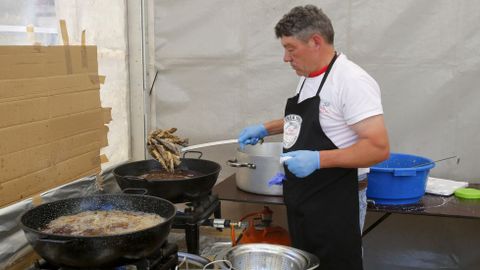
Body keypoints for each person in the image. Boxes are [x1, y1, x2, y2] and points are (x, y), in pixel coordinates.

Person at [237, 5, 390, 270]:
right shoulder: (310, 75)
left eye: (290, 48)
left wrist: (317, 159)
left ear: (315, 41)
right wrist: (266, 128)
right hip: (307, 196)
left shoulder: (351, 81)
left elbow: (378, 148)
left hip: (338, 199)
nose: (285, 57)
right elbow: (313, 121)